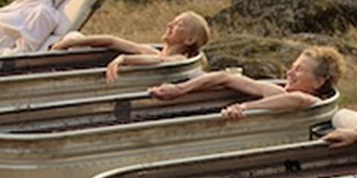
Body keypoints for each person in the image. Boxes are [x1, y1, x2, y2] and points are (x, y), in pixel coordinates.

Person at [147, 44, 343, 119]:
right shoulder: (281, 94)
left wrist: (245, 107)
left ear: (318, 82)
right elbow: (227, 77)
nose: (289, 73)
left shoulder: (314, 103)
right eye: (292, 67)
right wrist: (180, 89)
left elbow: (298, 101)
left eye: (299, 70)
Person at [50, 10, 210, 81]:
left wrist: (125, 59)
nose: (169, 25)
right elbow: (112, 41)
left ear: (189, 40)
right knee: (74, 36)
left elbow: (161, 62)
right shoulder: (152, 52)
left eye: (179, 25)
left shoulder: (179, 59)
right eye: (172, 21)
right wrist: (72, 42)